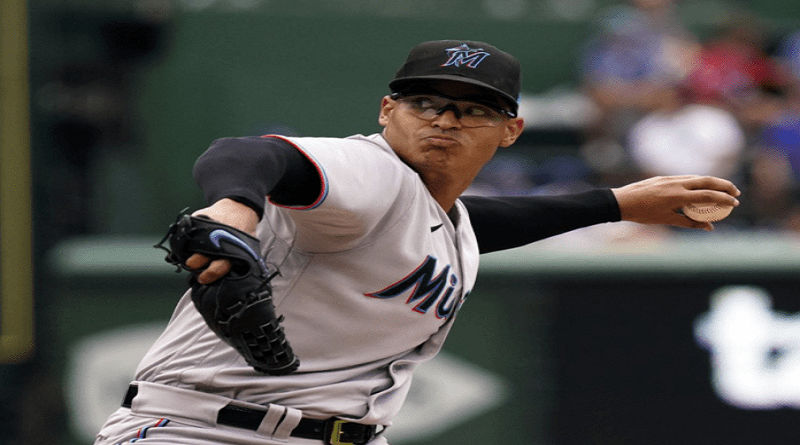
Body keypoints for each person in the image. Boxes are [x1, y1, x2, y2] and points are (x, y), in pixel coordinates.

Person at [93, 40, 741, 445]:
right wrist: (232, 210)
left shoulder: (436, 217)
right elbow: (249, 154)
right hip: (201, 431)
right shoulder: (369, 171)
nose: (445, 119)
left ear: (510, 131)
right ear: (386, 111)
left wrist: (618, 203)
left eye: (473, 109)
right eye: (425, 102)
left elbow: (469, 223)